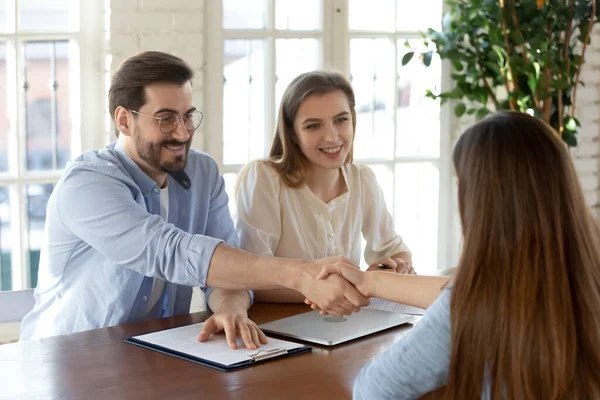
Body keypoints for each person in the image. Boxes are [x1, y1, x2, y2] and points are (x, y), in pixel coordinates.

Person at [20, 52, 369, 348]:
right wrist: (299, 273)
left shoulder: (201, 172)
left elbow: (222, 269)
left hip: (157, 347)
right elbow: (169, 251)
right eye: (166, 119)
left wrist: (230, 306)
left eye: (188, 116)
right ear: (124, 120)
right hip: (67, 355)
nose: (183, 132)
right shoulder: (87, 183)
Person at [318, 111, 600, 399]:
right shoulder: (584, 273)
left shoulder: (478, 304)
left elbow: (374, 389)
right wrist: (370, 282)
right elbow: (456, 291)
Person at [235, 71, 414, 304]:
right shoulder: (263, 177)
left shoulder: (362, 179)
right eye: (313, 126)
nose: (332, 137)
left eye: (341, 120)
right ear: (292, 133)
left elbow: (393, 251)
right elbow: (252, 278)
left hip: (346, 320)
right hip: (278, 326)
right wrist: (344, 287)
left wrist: (395, 268)